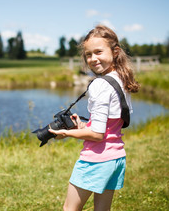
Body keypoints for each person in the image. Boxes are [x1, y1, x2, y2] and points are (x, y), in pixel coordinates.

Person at [49, 24, 140, 211]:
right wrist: (83, 126)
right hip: (116, 158)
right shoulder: (121, 78)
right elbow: (110, 125)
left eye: (98, 52)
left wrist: (65, 133)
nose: (93, 59)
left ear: (115, 52)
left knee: (69, 209)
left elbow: (98, 135)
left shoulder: (100, 85)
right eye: (88, 54)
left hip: (95, 159)